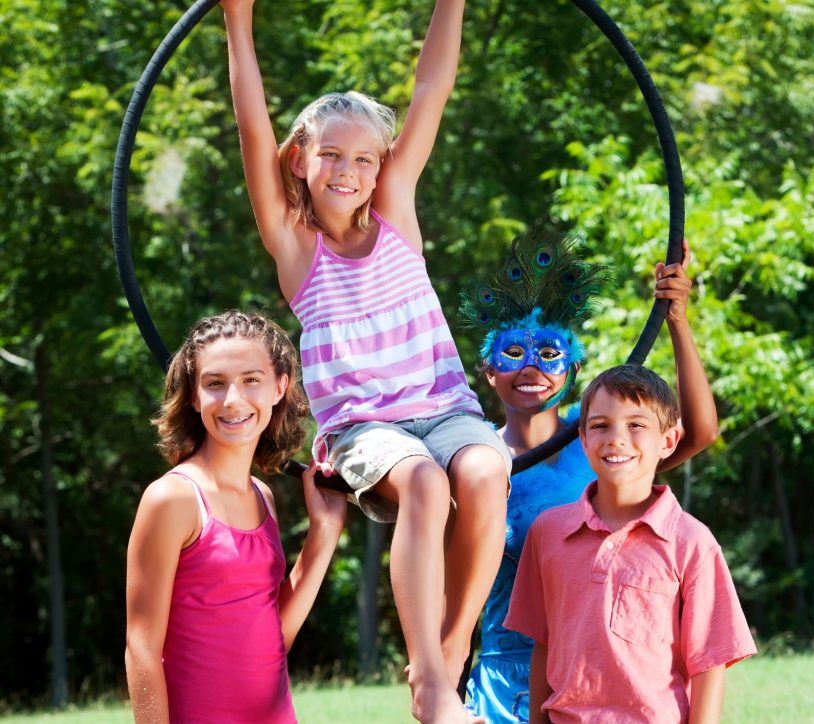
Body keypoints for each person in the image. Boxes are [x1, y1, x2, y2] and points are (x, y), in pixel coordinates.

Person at [221, 2, 509, 720]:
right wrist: (237, 20)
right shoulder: (295, 246)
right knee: (422, 482)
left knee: (485, 470)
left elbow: (431, 88)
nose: (347, 171)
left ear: (381, 166)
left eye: (363, 158)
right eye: (330, 155)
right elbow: (253, 130)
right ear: (301, 160)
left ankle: (439, 658)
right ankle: (436, 683)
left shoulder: (396, 211)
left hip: (446, 407)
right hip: (366, 427)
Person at [461, 235, 721, 721]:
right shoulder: (472, 460)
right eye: (513, 353)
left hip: (599, 675)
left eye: (549, 354)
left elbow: (698, 431)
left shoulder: (598, 440)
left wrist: (678, 321)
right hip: (503, 681)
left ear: (574, 368)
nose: (532, 367)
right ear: (488, 369)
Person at [125, 310, 347, 723]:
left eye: (251, 380)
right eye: (214, 384)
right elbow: (141, 649)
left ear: (280, 387)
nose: (233, 400)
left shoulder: (263, 497)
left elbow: (273, 637)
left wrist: (325, 531)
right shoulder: (173, 498)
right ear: (193, 395)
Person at [504, 364, 757, 723]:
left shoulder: (692, 542)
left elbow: (709, 666)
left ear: (667, 441)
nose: (616, 438)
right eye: (601, 425)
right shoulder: (547, 533)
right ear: (584, 440)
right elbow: (543, 645)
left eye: (636, 425)